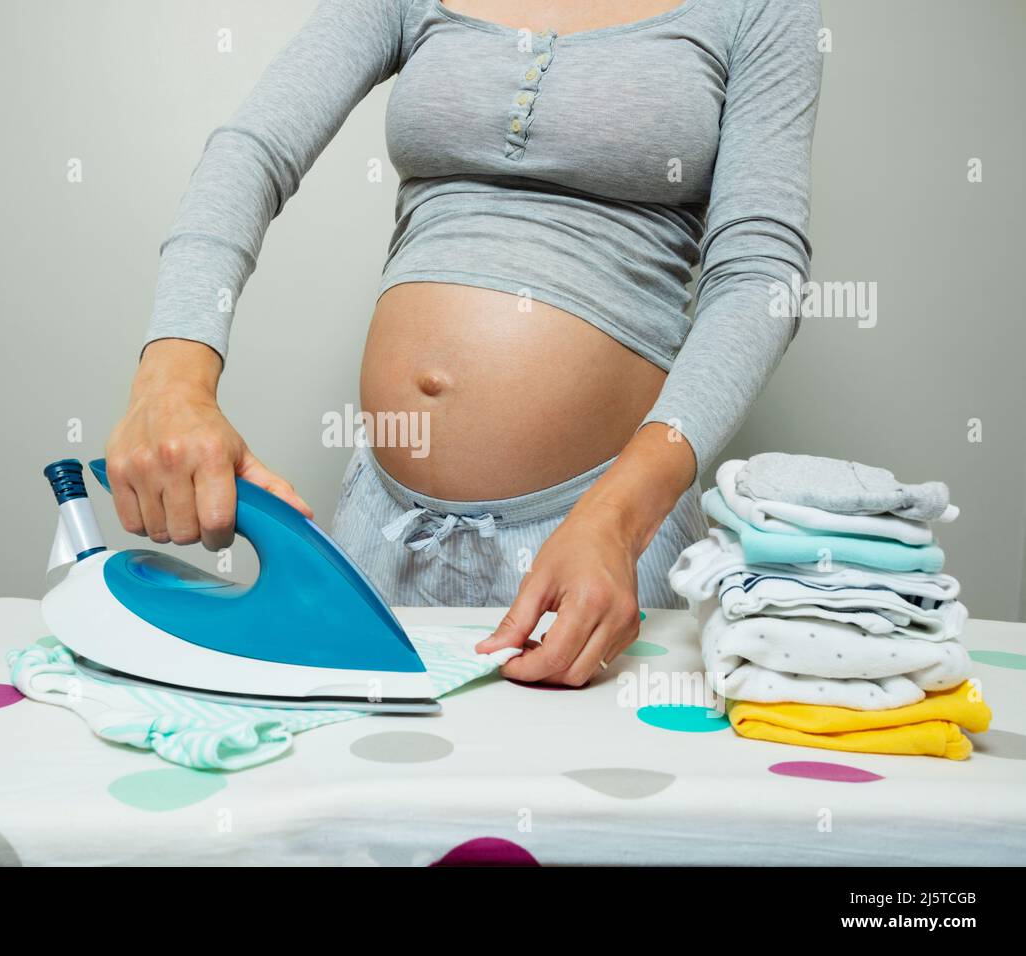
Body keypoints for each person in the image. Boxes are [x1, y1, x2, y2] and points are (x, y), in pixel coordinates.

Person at [106, 0, 824, 687]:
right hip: (381, 530)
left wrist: (620, 519)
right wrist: (173, 381)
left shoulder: (758, 7)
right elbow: (252, 151)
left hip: (600, 541)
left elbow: (760, 271)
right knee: (360, 804)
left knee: (590, 804)